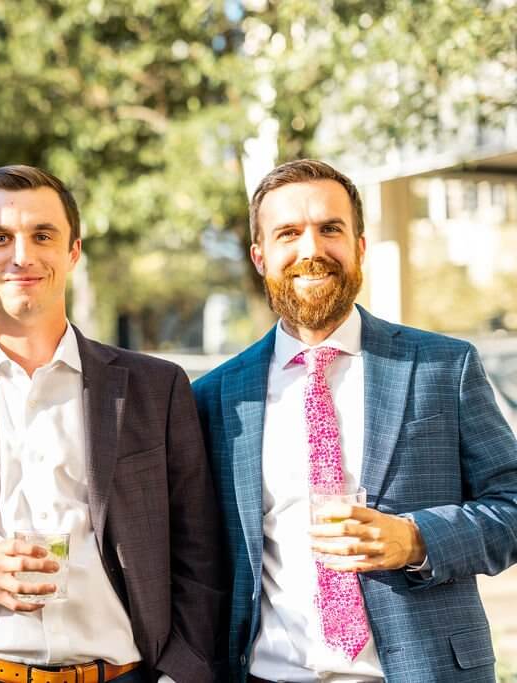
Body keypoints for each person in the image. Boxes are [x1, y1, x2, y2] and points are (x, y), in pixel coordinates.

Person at [0, 165, 223, 683]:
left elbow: (200, 553)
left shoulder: (156, 389)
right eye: (0, 238)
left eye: (43, 235)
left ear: (73, 250)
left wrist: (180, 675)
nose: (22, 256)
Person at [192, 159, 517, 682]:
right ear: (260, 257)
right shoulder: (214, 398)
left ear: (360, 246)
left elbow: (513, 504)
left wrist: (417, 539)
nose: (311, 250)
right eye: (288, 234)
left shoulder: (443, 367)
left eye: (330, 229)